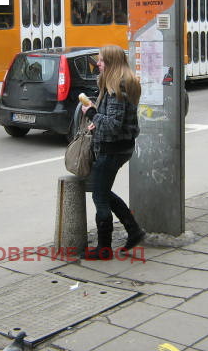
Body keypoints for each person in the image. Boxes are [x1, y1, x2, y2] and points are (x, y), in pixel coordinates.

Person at [80, 45, 144, 259]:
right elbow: (114, 120)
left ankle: (104, 248)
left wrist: (91, 113)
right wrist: (97, 121)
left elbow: (113, 125)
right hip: (118, 147)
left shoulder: (117, 87)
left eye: (101, 60)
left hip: (112, 149)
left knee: (99, 196)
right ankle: (134, 231)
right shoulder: (118, 83)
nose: (98, 63)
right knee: (104, 191)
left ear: (111, 63)